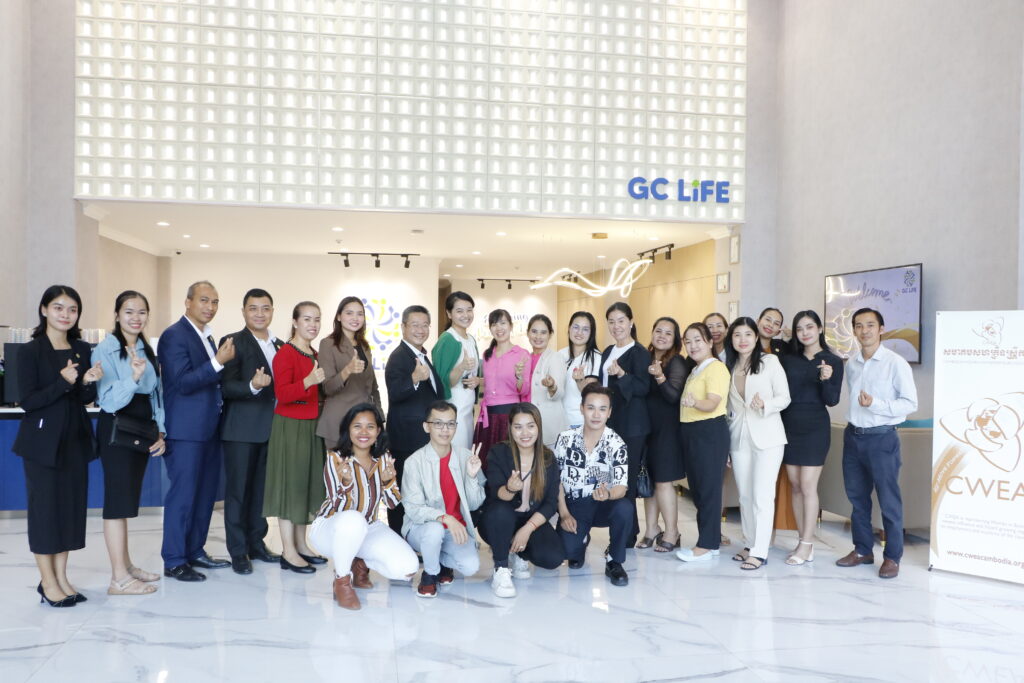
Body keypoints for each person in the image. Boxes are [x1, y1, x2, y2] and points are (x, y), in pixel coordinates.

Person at [14, 285, 103, 607]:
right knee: (45, 513)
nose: (66, 314)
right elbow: (28, 401)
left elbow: (83, 398)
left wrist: (88, 382)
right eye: (58, 307)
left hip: (74, 440)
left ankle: (62, 578)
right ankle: (47, 582)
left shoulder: (81, 348)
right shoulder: (30, 351)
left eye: (72, 309)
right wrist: (62, 382)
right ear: (44, 310)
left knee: (69, 511)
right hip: (41, 444)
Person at [158, 281, 235, 582]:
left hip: (209, 428)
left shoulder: (207, 336)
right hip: (185, 430)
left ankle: (195, 550)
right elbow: (183, 382)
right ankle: (174, 560)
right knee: (183, 497)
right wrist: (218, 362)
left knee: (204, 495)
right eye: (204, 300)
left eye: (215, 302)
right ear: (188, 302)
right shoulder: (174, 335)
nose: (210, 307)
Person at [308, 403, 418, 610]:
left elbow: (392, 503)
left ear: (378, 431)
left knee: (407, 568)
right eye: (357, 426)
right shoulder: (336, 458)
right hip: (330, 529)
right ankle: (342, 581)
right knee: (353, 520)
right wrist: (346, 482)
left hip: (368, 527)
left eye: (370, 427)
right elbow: (336, 504)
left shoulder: (384, 458)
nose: (364, 432)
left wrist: (388, 481)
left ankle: (360, 563)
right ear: (348, 430)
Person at [836, 308, 917, 579]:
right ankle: (862, 550)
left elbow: (910, 403)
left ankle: (892, 557)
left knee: (888, 501)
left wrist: (876, 404)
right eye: (859, 326)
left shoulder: (895, 363)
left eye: (870, 325)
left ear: (881, 329)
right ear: (854, 331)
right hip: (853, 436)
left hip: (882, 438)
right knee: (857, 499)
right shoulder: (852, 363)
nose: (864, 330)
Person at [94, 290, 165, 595]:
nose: (136, 318)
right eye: (129, 312)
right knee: (116, 504)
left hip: (142, 428)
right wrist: (133, 378)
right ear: (117, 315)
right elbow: (108, 402)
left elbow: (157, 396)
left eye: (141, 312)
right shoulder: (105, 350)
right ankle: (118, 579)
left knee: (127, 502)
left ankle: (126, 565)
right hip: (117, 431)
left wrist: (161, 431)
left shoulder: (146, 349)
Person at [219, 288, 283, 575]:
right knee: (238, 493)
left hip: (272, 430)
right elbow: (225, 386)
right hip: (241, 431)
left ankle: (257, 543)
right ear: (244, 311)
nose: (260, 314)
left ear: (272, 312)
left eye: (265, 308)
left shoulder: (280, 345)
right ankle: (238, 551)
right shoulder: (233, 342)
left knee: (260, 492)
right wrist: (252, 386)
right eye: (253, 308)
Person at [264, 301, 328, 574]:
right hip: (291, 426)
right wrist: (309, 381)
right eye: (307, 319)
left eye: (317, 319)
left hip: (312, 425)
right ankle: (288, 551)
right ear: (295, 322)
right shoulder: (285, 353)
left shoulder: (314, 353)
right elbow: (282, 394)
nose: (313, 325)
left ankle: (301, 544)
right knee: (290, 487)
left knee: (305, 485)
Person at [724, 317, 791, 571]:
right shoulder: (729, 366)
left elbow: (784, 397)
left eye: (748, 334)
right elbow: (729, 408)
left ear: (755, 337)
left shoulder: (769, 362)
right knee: (745, 495)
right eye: (737, 335)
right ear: (732, 339)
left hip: (768, 438)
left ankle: (760, 551)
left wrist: (766, 404)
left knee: (763, 496)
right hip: (739, 438)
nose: (743, 340)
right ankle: (750, 542)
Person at [779, 310, 844, 566]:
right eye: (799, 328)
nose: (804, 333)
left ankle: (807, 544)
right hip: (789, 425)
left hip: (816, 426)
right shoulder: (788, 358)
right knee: (795, 485)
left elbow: (832, 400)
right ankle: (802, 540)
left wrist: (826, 379)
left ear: (819, 328)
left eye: (809, 327)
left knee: (807, 485)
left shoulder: (832, 360)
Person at [480, 403, 565, 598]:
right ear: (510, 429)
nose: (525, 433)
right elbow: (496, 494)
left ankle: (519, 553)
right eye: (518, 427)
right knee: (501, 511)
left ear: (538, 427)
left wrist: (527, 530)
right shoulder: (498, 452)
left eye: (530, 426)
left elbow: (550, 503)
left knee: (553, 558)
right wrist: (510, 489)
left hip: (529, 519)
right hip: (498, 521)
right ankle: (501, 568)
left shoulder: (548, 458)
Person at [402, 401, 486, 598]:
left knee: (470, 566)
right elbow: (413, 508)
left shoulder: (466, 457)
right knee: (435, 529)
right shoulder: (414, 462)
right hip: (422, 528)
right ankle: (430, 574)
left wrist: (472, 477)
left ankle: (438, 560)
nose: (445, 430)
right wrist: (446, 518)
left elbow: (475, 504)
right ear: (427, 426)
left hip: (454, 530)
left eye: (450, 424)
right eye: (438, 423)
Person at [555, 383, 632, 586]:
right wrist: (564, 513)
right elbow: (556, 481)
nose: (596, 415)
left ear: (609, 412)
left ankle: (614, 561)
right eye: (591, 408)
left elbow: (621, 486)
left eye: (602, 409)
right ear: (581, 408)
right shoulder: (565, 439)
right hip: (575, 506)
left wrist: (608, 494)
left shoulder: (617, 444)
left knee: (625, 508)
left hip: (602, 504)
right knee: (563, 552)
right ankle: (580, 542)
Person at [384, 305, 443, 534]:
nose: (420, 330)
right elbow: (395, 392)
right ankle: (398, 538)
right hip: (406, 439)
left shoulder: (422, 355)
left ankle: (418, 535)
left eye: (425, 325)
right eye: (415, 325)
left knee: (419, 490)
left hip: (423, 437)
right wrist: (414, 378)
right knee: (402, 490)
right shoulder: (399, 357)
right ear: (403, 327)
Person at [675, 322, 730, 564]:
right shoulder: (696, 369)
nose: (693, 345)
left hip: (708, 432)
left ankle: (706, 545)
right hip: (692, 432)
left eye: (698, 340)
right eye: (688, 341)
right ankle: (711, 541)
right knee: (698, 490)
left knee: (708, 490)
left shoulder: (716, 368)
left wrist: (694, 403)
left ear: (709, 342)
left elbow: (712, 402)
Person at [599, 302, 651, 545]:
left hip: (632, 427)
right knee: (614, 479)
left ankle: (625, 538)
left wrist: (621, 374)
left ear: (631, 322)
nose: (616, 326)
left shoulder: (639, 352)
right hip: (611, 424)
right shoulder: (608, 350)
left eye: (621, 320)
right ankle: (627, 532)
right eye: (611, 321)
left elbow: (643, 387)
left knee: (625, 482)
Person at [638, 317, 689, 553]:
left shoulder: (677, 361)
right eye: (658, 331)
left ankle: (672, 532)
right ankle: (651, 529)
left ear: (675, 339)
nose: (662, 336)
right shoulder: (645, 357)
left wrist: (660, 376)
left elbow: (673, 396)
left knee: (663, 482)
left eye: (668, 333)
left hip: (667, 430)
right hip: (646, 428)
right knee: (649, 480)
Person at [318, 296, 383, 450]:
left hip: (365, 423)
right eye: (349, 313)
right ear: (339, 317)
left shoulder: (364, 346)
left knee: (363, 466)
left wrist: (379, 417)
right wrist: (347, 370)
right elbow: (327, 388)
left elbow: (373, 386)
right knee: (341, 465)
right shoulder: (328, 344)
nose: (355, 318)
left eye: (360, 314)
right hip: (339, 421)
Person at [474, 309, 530, 468]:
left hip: (508, 416)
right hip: (487, 416)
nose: (499, 328)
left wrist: (519, 376)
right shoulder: (487, 355)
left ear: (511, 326)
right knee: (485, 461)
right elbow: (492, 382)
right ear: (490, 328)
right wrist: (478, 380)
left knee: (507, 462)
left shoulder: (522, 354)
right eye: (494, 324)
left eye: (503, 323)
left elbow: (524, 390)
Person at [431, 291, 481, 452]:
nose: (466, 315)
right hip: (452, 409)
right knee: (454, 452)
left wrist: (476, 380)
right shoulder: (448, 339)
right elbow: (442, 381)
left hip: (467, 408)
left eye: (469, 310)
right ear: (449, 314)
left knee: (465, 452)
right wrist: (461, 367)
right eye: (459, 311)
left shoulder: (471, 339)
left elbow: (473, 374)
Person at [525, 314, 567, 447]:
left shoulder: (555, 357)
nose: (538, 336)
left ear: (550, 335)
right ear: (527, 333)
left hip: (548, 424)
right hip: (527, 422)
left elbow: (559, 393)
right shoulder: (525, 358)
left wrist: (552, 386)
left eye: (543, 332)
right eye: (534, 331)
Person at [557, 311, 601, 429]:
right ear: (569, 328)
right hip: (559, 420)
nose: (579, 332)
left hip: (579, 421)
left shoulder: (595, 357)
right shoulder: (560, 354)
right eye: (576, 327)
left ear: (591, 333)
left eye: (585, 329)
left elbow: (591, 393)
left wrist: (580, 381)